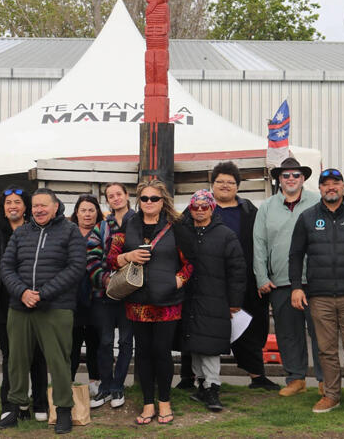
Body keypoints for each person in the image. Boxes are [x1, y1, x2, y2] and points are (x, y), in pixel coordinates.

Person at [288, 168, 344, 415]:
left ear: (342, 187)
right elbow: (295, 255)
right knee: (326, 350)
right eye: (325, 183)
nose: (331, 187)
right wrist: (296, 287)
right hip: (320, 296)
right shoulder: (307, 217)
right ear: (319, 188)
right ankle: (331, 395)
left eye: (335, 183)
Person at [0, 188, 86, 434]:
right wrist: (22, 292)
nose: (38, 209)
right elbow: (6, 267)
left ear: (55, 207)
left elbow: (76, 268)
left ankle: (63, 411)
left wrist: (43, 293)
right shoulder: (21, 232)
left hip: (56, 307)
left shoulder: (71, 231)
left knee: (58, 361)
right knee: (16, 360)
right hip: (20, 306)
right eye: (35, 205)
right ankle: (14, 409)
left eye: (43, 205)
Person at [107, 180, 193, 425]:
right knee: (143, 353)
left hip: (168, 301)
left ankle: (164, 401)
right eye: (144, 198)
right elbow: (112, 259)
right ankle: (147, 403)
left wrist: (176, 282)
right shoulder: (130, 224)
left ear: (163, 200)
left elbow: (190, 262)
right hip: (137, 301)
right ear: (138, 201)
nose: (149, 203)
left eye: (154, 198)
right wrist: (128, 256)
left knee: (162, 352)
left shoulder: (176, 225)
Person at [0, 187, 48, 422]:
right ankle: (10, 405)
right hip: (3, 306)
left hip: (35, 303)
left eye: (17, 202)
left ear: (26, 206)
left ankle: (39, 404)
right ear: (2, 209)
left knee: (37, 356)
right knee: (11, 357)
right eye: (8, 203)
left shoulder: (38, 232)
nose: (12, 206)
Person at [253, 157, 324, 396]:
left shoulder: (318, 202)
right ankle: (296, 379)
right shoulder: (267, 207)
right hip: (281, 280)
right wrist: (261, 276)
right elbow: (259, 243)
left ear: (303, 178)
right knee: (288, 333)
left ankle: (326, 380)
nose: (291, 179)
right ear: (279, 180)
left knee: (321, 333)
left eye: (296, 175)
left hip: (316, 280)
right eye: (286, 175)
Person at [210, 161, 278, 390]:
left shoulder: (250, 211)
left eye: (231, 182)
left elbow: (263, 245)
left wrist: (263, 276)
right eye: (220, 182)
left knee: (250, 326)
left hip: (246, 279)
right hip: (211, 281)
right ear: (212, 185)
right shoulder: (201, 209)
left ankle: (257, 376)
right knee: (202, 327)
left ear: (238, 187)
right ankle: (193, 378)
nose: (225, 186)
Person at [180, 190, 246, 412]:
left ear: (212, 208)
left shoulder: (226, 235)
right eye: (195, 207)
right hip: (188, 298)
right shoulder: (182, 232)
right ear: (190, 209)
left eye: (204, 206)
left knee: (210, 347)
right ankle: (201, 385)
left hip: (215, 298)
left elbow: (237, 270)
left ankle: (212, 388)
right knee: (194, 344)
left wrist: (234, 302)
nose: (200, 210)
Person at [86, 184, 135, 410]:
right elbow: (92, 259)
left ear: (127, 196)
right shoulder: (102, 227)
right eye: (111, 196)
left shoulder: (139, 221)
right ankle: (105, 386)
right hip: (104, 294)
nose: (115, 198)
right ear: (107, 201)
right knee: (105, 342)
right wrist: (108, 281)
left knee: (126, 342)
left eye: (119, 194)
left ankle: (118, 386)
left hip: (133, 294)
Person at [69, 194, 102, 400]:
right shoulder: (69, 233)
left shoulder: (103, 232)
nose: (87, 214)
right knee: (71, 343)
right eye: (83, 210)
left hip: (96, 296)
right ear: (77, 213)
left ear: (97, 212)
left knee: (94, 341)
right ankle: (68, 382)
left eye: (91, 210)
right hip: (71, 297)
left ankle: (95, 382)